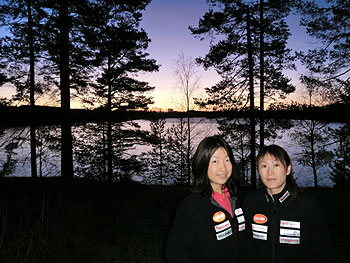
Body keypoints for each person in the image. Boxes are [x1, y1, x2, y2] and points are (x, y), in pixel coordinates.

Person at [243, 144, 333, 263]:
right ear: (258, 170)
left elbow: (323, 253)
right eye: (264, 166)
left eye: (276, 165)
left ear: (288, 169)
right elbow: (247, 248)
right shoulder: (250, 203)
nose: (270, 172)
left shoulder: (309, 207)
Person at [165, 136, 247, 263]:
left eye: (227, 160)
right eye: (215, 161)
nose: (223, 168)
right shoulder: (192, 206)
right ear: (203, 164)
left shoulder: (239, 199)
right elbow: (174, 252)